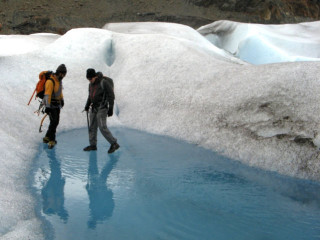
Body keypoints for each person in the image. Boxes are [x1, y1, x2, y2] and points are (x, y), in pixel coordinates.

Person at [83, 68, 120, 153]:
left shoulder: (104, 82)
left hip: (102, 108)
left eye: (90, 79)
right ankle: (93, 145)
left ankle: (114, 143)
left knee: (102, 127)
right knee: (92, 126)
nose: (90, 81)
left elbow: (111, 95)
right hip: (94, 107)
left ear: (95, 76)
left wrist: (111, 108)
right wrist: (87, 105)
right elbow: (90, 96)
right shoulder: (90, 84)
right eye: (88, 79)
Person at [42, 64, 67, 149]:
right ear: (59, 72)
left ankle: (46, 137)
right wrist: (47, 107)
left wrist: (62, 99)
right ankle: (51, 141)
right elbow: (47, 94)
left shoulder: (59, 81)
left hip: (57, 105)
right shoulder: (50, 81)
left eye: (64, 74)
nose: (63, 76)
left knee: (55, 122)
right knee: (54, 122)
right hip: (51, 105)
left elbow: (60, 91)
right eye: (63, 74)